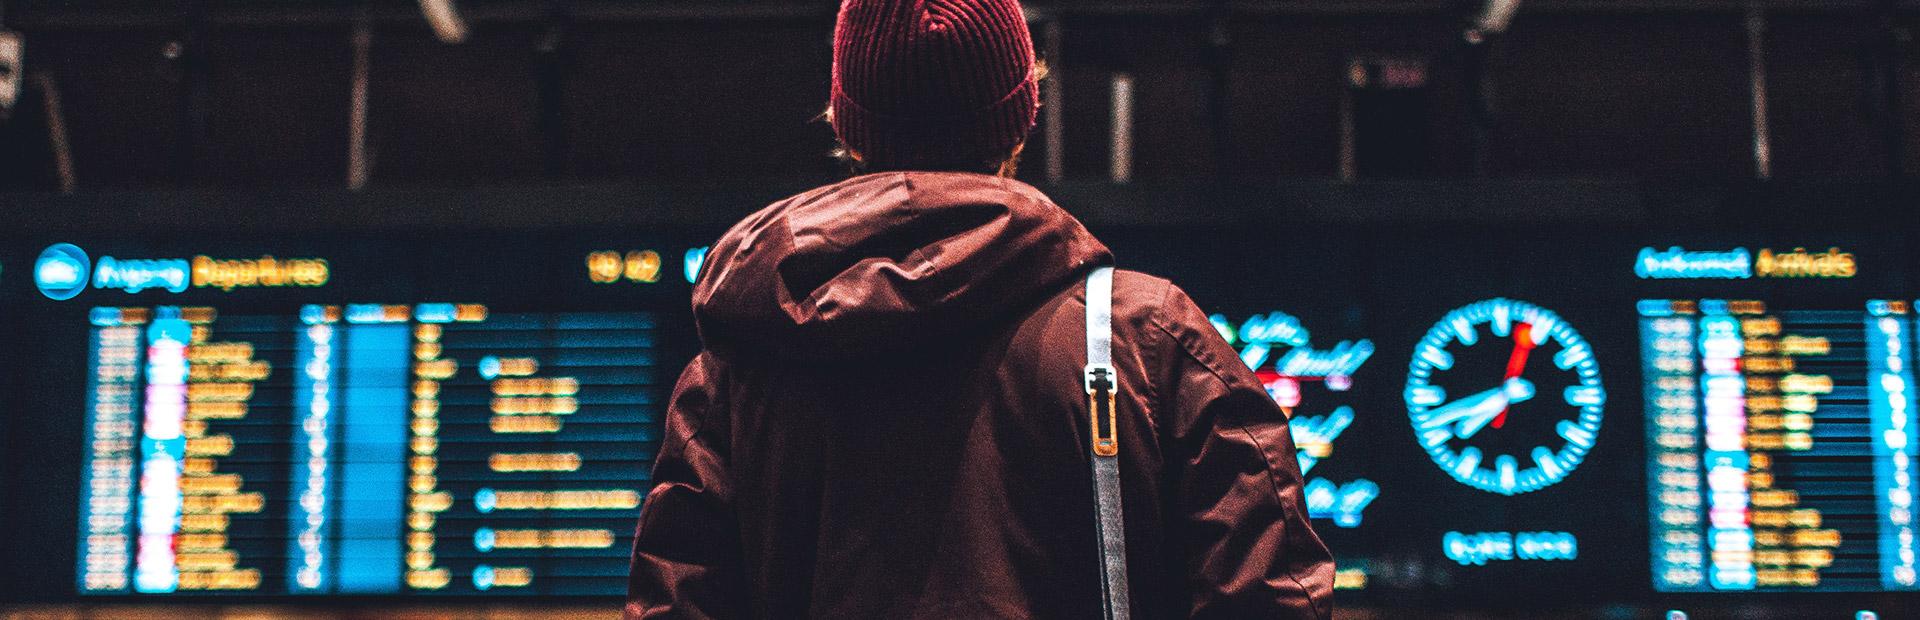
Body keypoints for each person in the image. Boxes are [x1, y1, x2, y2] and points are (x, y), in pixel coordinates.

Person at [624, 0, 1334, 617]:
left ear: (845, 120)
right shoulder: (1147, 341)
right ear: (1024, 114)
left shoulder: (741, 368)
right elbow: (1269, 598)